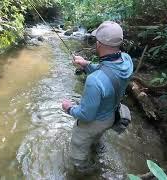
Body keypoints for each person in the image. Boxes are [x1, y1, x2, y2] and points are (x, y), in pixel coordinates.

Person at [62, 21, 134, 173]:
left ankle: (87, 172)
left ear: (99, 44)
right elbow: (109, 72)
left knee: (78, 153)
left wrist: (69, 108)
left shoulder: (94, 80)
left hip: (94, 122)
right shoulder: (127, 59)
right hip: (111, 116)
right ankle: (98, 150)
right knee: (96, 138)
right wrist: (85, 64)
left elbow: (86, 115)